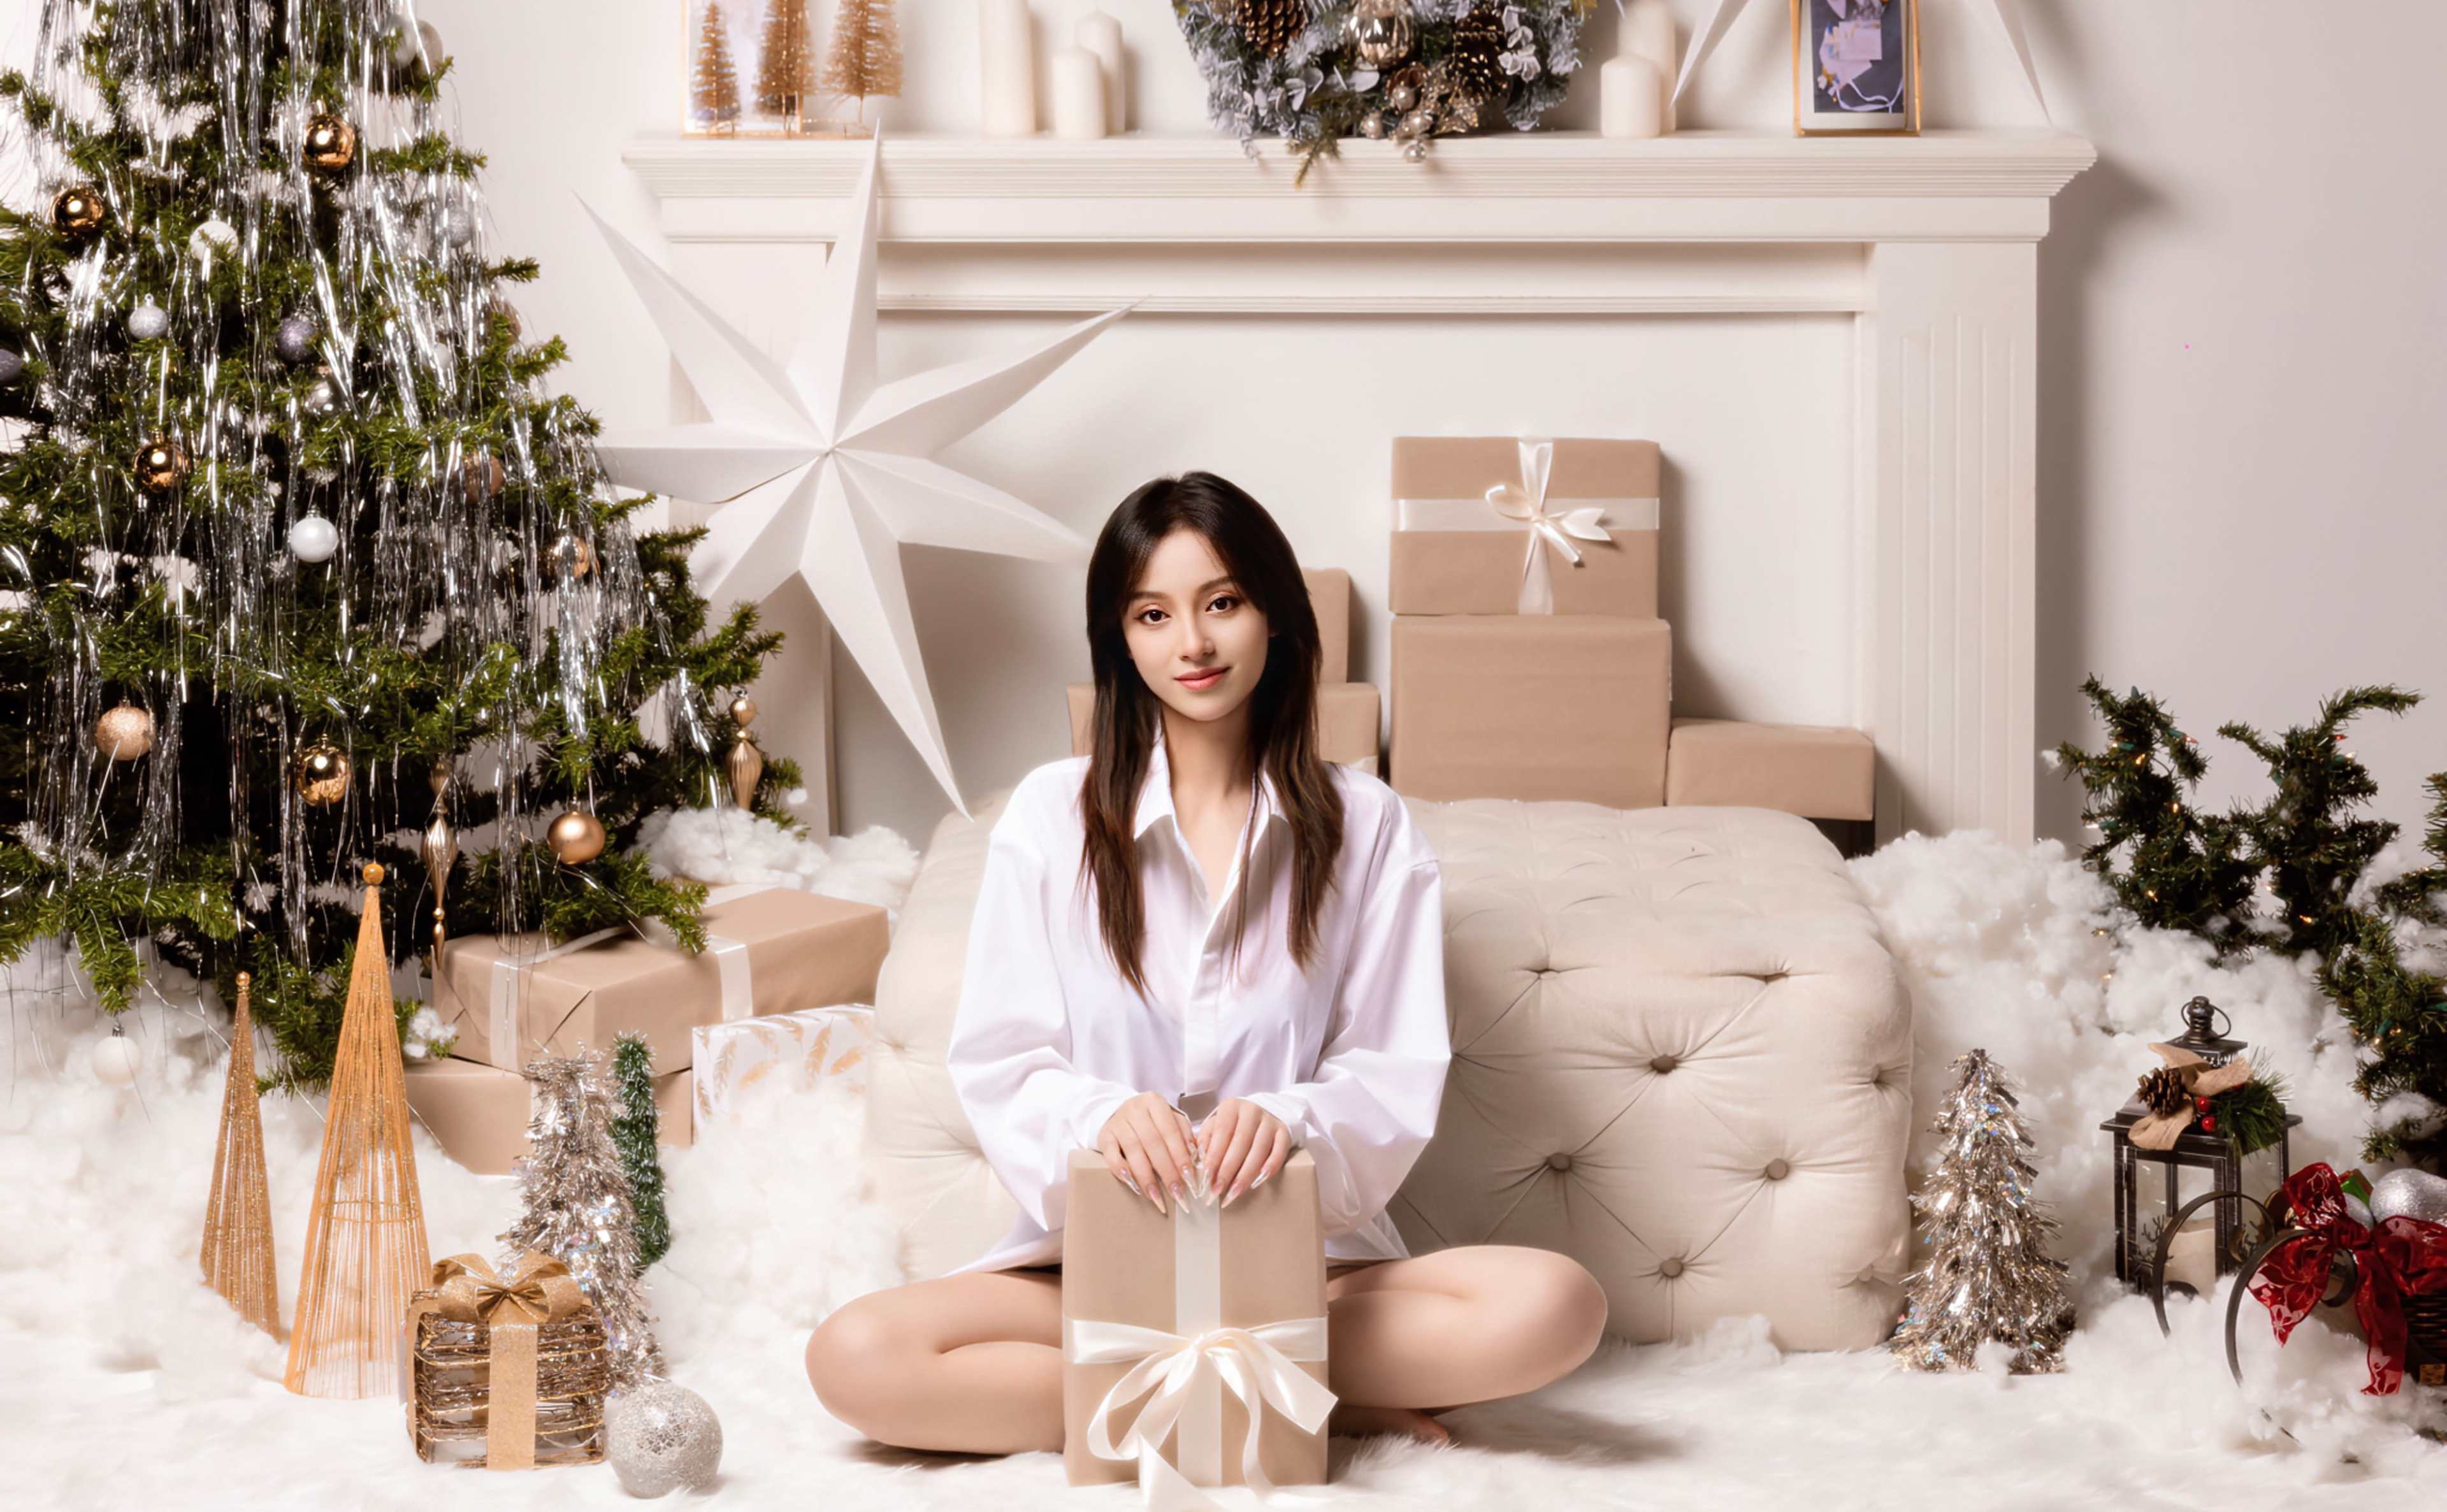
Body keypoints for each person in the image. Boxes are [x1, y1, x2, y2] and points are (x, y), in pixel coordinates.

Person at [805, 472, 1609, 1456]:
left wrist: (1287, 1116)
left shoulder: (1368, 824)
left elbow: (1395, 1069)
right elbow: (1002, 1058)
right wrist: (1101, 1113)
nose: (1192, 643)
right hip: (1089, 1267)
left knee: (1555, 1305)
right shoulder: (1052, 816)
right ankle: (1291, 1399)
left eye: (1221, 602)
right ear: (1121, 638)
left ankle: (1170, 1388)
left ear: (1274, 614)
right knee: (856, 1355)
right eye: (1153, 614)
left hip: (1304, 1271)